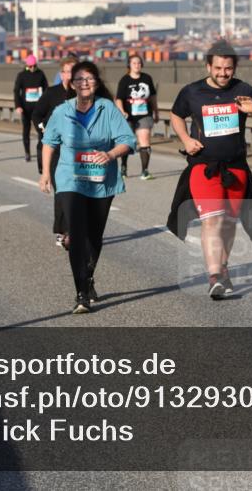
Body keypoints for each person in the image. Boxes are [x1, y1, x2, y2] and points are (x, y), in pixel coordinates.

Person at [166, 40, 252, 300]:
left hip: (236, 168)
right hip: (204, 167)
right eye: (218, 68)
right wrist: (185, 139)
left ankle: (223, 267)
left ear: (234, 68)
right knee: (212, 220)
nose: (223, 73)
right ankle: (214, 275)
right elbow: (175, 115)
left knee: (228, 221)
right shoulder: (192, 92)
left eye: (228, 69)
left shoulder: (244, 90)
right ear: (208, 66)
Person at [39, 62, 134, 314]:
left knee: (94, 235)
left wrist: (111, 154)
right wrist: (46, 173)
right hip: (70, 178)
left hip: (102, 180)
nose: (85, 83)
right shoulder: (61, 111)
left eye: (89, 79)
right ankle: (81, 293)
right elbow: (49, 142)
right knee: (78, 234)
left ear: (97, 83)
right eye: (79, 79)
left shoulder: (108, 109)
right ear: (72, 84)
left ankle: (88, 274)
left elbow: (127, 140)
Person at [36, 56, 77, 248]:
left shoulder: (85, 95)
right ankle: (64, 231)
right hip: (57, 151)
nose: (71, 75)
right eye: (68, 71)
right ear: (62, 74)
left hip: (78, 151)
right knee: (62, 191)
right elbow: (37, 115)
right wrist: (44, 130)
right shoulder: (51, 93)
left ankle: (76, 229)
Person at [115, 54, 159, 180]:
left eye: (139, 63)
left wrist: (156, 112)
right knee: (127, 142)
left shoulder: (147, 78)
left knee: (144, 141)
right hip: (128, 116)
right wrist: (122, 111)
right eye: (134, 63)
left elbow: (152, 97)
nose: (137, 65)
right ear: (129, 65)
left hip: (144, 114)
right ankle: (123, 167)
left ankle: (144, 171)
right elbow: (118, 99)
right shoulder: (125, 80)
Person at [13, 54, 49, 165]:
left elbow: (46, 89)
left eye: (34, 66)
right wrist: (18, 106)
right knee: (26, 130)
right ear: (27, 66)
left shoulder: (41, 74)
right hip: (25, 108)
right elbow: (16, 91)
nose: (32, 68)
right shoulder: (22, 75)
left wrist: (47, 104)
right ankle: (27, 152)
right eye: (30, 66)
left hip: (38, 108)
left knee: (41, 131)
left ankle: (41, 152)